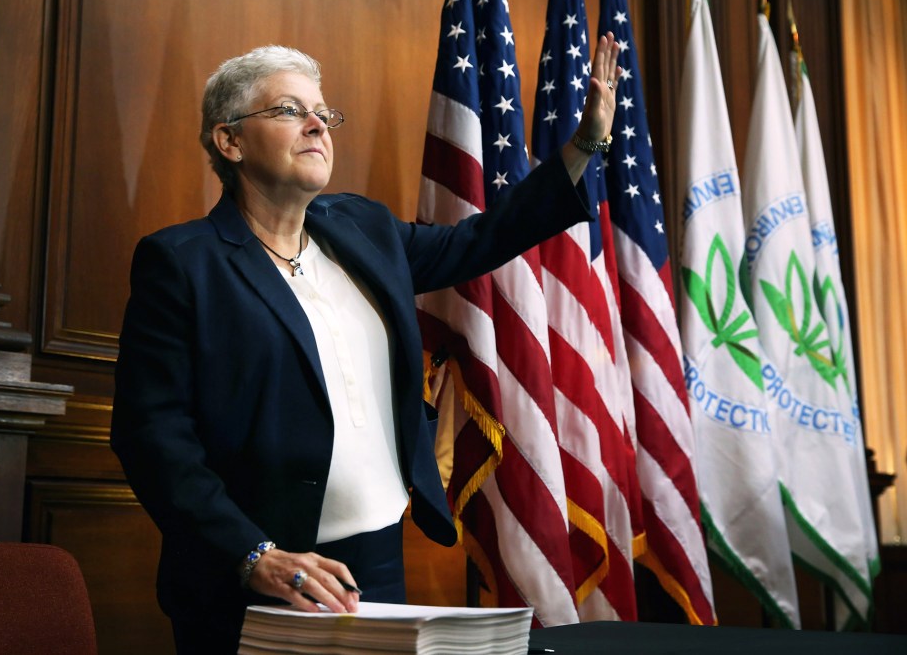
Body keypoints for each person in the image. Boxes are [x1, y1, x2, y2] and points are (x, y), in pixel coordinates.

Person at [110, 36, 621, 654]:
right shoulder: (182, 263)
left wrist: (585, 143)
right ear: (230, 141)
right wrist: (252, 555)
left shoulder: (363, 230)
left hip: (375, 559)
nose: (317, 124)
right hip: (255, 573)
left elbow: (483, 239)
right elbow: (152, 436)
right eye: (290, 110)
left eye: (323, 112)